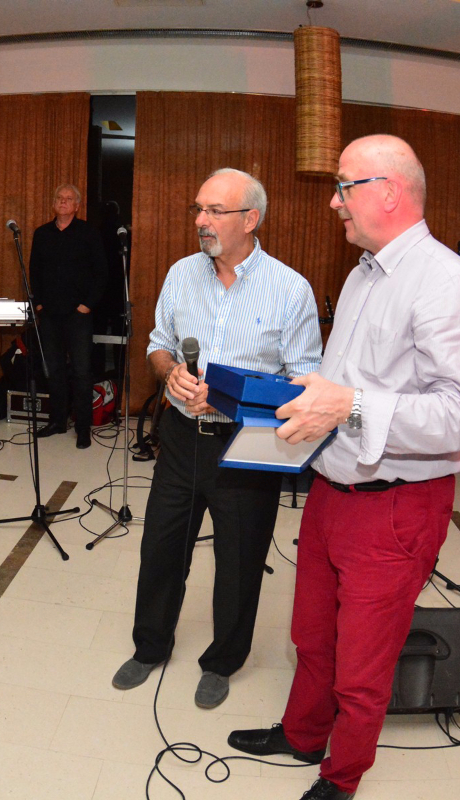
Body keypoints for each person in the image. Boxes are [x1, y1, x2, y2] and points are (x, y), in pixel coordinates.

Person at [227, 136, 460, 800]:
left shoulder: (447, 284)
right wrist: (304, 394)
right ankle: (301, 735)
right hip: (332, 489)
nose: (334, 201)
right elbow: (348, 383)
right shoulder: (362, 273)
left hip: (395, 505)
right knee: (312, 636)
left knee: (362, 664)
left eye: (344, 186)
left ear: (390, 192)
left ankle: (341, 777)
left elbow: (459, 418)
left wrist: (348, 403)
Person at [111, 168, 323, 709]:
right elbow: (158, 344)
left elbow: (304, 382)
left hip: (249, 447)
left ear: (250, 220)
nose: (201, 221)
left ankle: (223, 660)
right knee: (162, 548)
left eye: (214, 211)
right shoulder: (182, 274)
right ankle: (150, 646)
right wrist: (169, 374)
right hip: (182, 438)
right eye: (198, 210)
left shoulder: (290, 290)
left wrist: (230, 398)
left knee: (239, 561)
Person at [30, 183, 108, 448]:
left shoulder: (88, 233)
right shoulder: (42, 233)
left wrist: (87, 305)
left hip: (78, 314)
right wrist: (39, 304)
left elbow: (101, 273)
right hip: (49, 314)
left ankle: (83, 427)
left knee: (81, 371)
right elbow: (34, 272)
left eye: (68, 199)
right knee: (54, 370)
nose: (63, 202)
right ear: (54, 203)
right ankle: (57, 421)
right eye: (59, 198)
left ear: (77, 205)